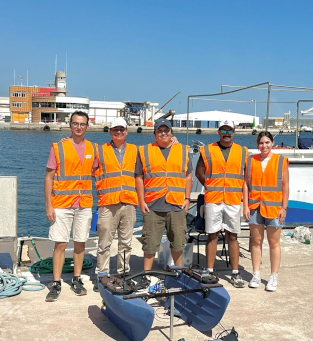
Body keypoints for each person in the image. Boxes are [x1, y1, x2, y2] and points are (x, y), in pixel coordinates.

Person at [44, 111, 97, 302]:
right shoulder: (58, 147)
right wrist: (48, 205)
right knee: (60, 243)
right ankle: (56, 282)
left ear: (87, 126)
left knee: (80, 242)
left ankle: (76, 279)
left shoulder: (93, 148)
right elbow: (49, 177)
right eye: (75, 123)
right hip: (61, 204)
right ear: (70, 125)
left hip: (84, 203)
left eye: (82, 124)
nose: (78, 127)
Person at [136, 118, 192, 283]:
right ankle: (146, 275)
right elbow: (139, 177)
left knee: (178, 243)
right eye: (159, 131)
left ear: (171, 132)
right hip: (153, 206)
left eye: (166, 130)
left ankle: (179, 274)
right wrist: (141, 201)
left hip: (176, 204)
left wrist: (187, 198)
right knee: (150, 244)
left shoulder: (182, 150)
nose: (163, 133)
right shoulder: (145, 151)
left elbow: (188, 175)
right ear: (155, 133)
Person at [195, 120, 248, 288]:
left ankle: (235, 273)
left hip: (233, 199)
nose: (226, 134)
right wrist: (209, 186)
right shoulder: (208, 150)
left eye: (230, 131)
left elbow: (247, 175)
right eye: (223, 130)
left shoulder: (242, 151)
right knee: (212, 234)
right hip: (213, 199)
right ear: (218, 132)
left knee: (233, 235)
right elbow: (199, 172)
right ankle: (210, 271)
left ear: (234, 132)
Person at [92, 117, 137, 291]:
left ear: (126, 131)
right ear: (110, 132)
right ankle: (102, 275)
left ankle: (123, 274)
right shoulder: (99, 150)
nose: (119, 132)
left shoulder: (135, 150)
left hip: (128, 203)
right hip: (107, 203)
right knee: (104, 242)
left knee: (126, 242)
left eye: (121, 129)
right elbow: (82, 160)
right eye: (115, 129)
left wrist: (173, 140)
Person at [244, 131, 289, 292]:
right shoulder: (251, 160)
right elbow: (246, 184)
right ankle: (256, 274)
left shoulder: (281, 161)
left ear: (272, 143)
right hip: (255, 206)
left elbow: (285, 186)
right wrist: (245, 206)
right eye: (261, 143)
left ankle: (273, 276)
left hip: (274, 208)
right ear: (257, 145)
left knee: (273, 243)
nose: (264, 146)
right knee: (256, 242)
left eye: (267, 142)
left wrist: (284, 207)